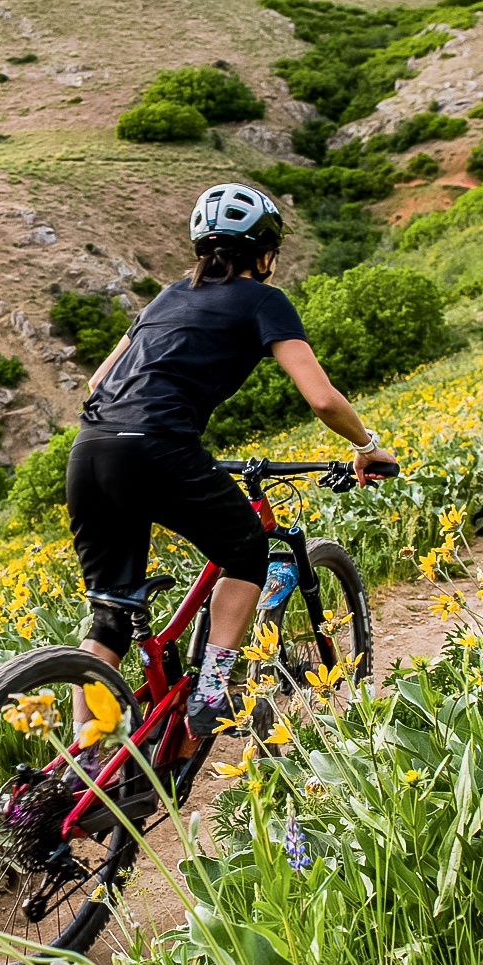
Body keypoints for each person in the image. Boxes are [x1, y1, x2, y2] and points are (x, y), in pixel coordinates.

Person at [67, 182, 397, 737]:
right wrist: (366, 447)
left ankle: (85, 763)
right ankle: (212, 689)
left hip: (91, 450)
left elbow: (100, 380)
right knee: (248, 553)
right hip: (160, 446)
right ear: (265, 252)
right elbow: (321, 398)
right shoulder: (265, 300)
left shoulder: (168, 296)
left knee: (110, 616)